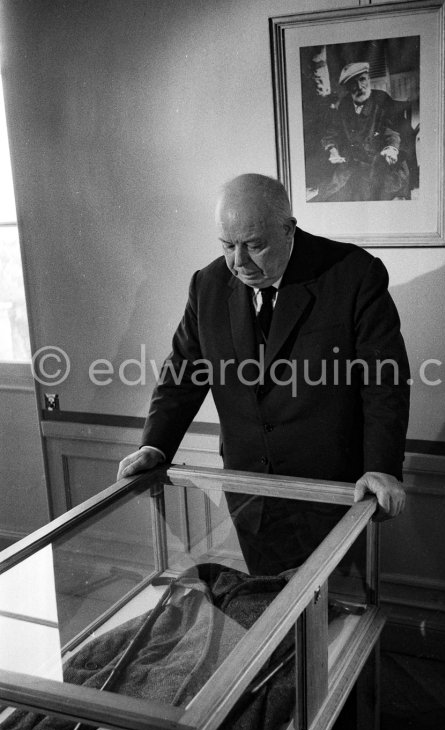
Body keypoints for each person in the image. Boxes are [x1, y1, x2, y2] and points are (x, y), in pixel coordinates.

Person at [117, 173, 410, 573]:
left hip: (332, 491)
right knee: (269, 605)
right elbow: (183, 374)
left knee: (332, 616)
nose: (239, 263)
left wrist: (382, 466)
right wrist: (155, 445)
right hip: (248, 491)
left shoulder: (353, 274)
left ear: (289, 230)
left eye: (255, 246)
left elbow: (385, 381)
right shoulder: (207, 285)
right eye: (227, 246)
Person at [316, 62, 412, 202]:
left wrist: (391, 149)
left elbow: (393, 131)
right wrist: (332, 150)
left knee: (384, 198)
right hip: (354, 166)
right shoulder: (344, 105)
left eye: (362, 79)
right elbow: (331, 133)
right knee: (331, 197)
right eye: (353, 84)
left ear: (368, 79)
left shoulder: (381, 100)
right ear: (348, 88)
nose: (360, 87)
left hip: (383, 164)